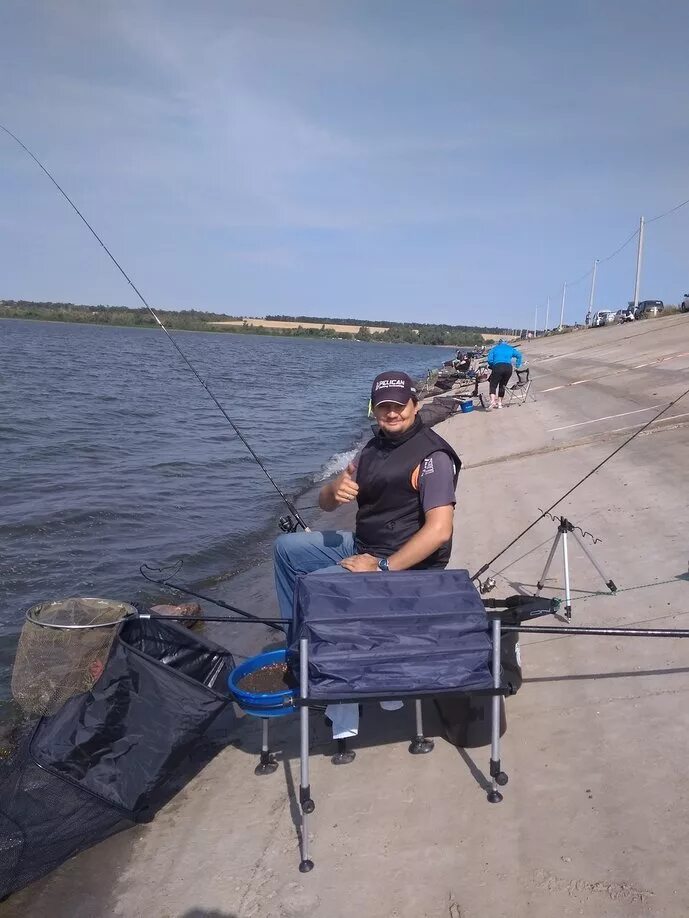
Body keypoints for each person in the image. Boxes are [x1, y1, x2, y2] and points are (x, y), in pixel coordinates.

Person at [273, 370, 461, 739]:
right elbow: (327, 506)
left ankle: (323, 671)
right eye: (383, 407)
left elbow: (440, 530)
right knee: (286, 549)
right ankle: (297, 646)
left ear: (415, 405)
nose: (391, 414)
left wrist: (384, 567)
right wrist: (332, 489)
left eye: (399, 406)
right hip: (364, 545)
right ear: (374, 410)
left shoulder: (433, 458)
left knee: (315, 588)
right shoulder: (372, 448)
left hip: (404, 563)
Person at [485, 338, 523, 409]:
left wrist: (493, 366)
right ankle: (499, 404)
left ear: (499, 343)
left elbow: (490, 360)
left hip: (498, 366)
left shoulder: (494, 349)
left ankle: (493, 401)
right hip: (508, 367)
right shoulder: (510, 348)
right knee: (502, 385)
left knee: (493, 385)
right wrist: (517, 365)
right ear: (506, 343)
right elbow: (519, 355)